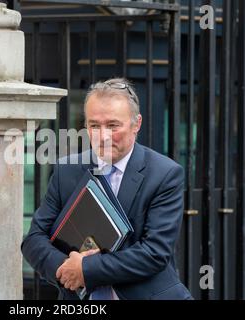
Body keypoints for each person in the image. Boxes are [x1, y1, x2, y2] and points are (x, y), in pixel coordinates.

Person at [21, 78, 193, 300]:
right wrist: (66, 269)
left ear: (136, 124)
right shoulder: (67, 170)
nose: (103, 136)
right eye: (94, 125)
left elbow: (154, 253)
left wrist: (86, 269)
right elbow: (34, 239)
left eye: (113, 125)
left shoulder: (165, 174)